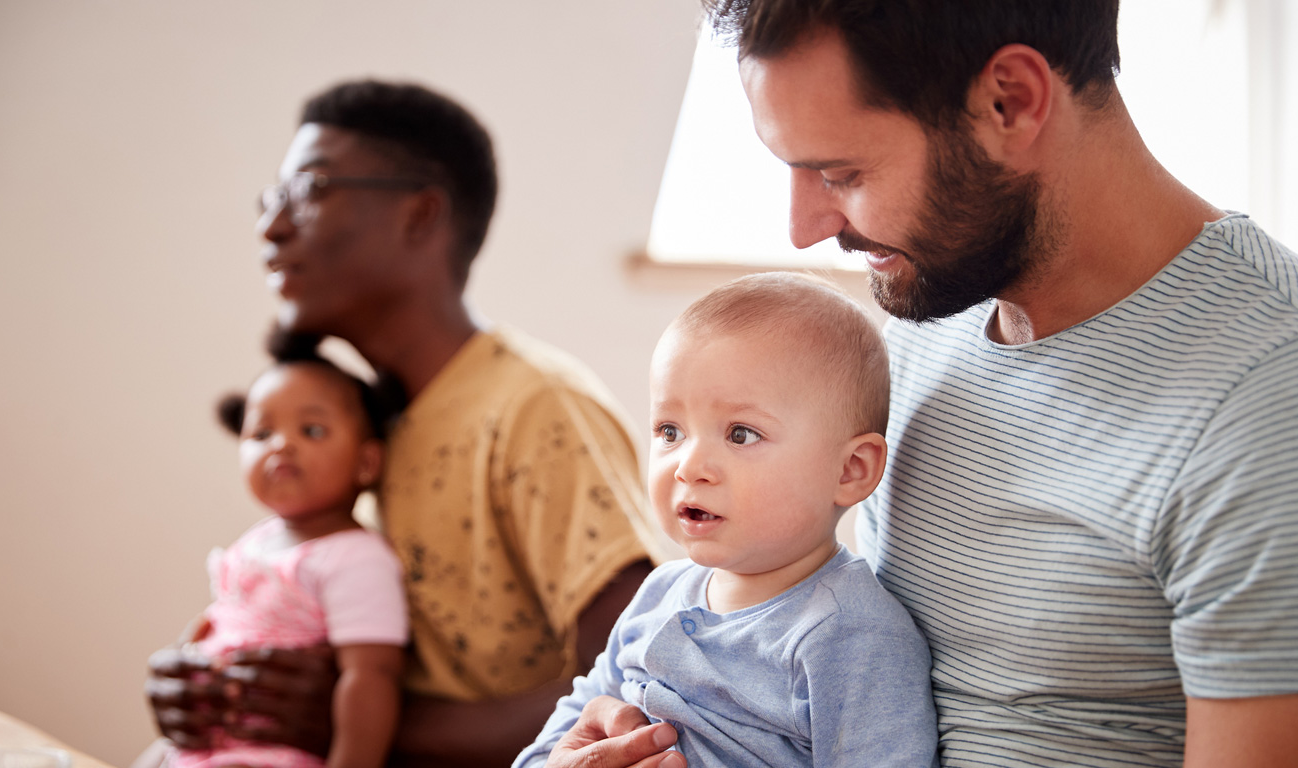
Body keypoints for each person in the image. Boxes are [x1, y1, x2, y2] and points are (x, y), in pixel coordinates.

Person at [542, 1, 1298, 767]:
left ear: (1010, 101)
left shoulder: (1285, 397)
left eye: (841, 171)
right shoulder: (933, 324)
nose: (804, 227)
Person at [144, 79, 664, 768]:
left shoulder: (534, 408)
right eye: (271, 201)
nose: (272, 228)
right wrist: (217, 674)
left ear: (420, 215)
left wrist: (360, 721)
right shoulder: (372, 420)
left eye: (310, 188)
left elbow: (638, 680)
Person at [513, 273, 938, 767]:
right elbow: (566, 731)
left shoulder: (852, 636)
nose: (688, 465)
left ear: (850, 470)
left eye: (740, 434)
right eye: (670, 430)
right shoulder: (658, 592)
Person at [142, 331, 408, 768]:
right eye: (261, 432)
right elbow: (219, 622)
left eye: (312, 430)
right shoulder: (258, 540)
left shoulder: (355, 558)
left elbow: (371, 679)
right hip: (205, 742)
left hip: (269, 753)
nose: (280, 444)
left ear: (366, 462)